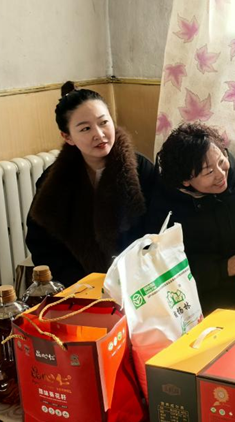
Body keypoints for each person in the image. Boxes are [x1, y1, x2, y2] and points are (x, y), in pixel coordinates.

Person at [26, 81, 156, 286]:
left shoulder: (141, 169)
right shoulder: (53, 182)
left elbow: (158, 230)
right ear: (67, 137)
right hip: (78, 286)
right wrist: (81, 283)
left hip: (139, 281)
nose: (99, 134)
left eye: (104, 122)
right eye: (85, 128)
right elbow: (42, 244)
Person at [146, 122, 235, 313]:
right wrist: (222, 268)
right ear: (185, 180)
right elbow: (163, 265)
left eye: (221, 161)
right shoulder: (166, 207)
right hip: (195, 297)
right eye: (208, 172)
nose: (220, 175)